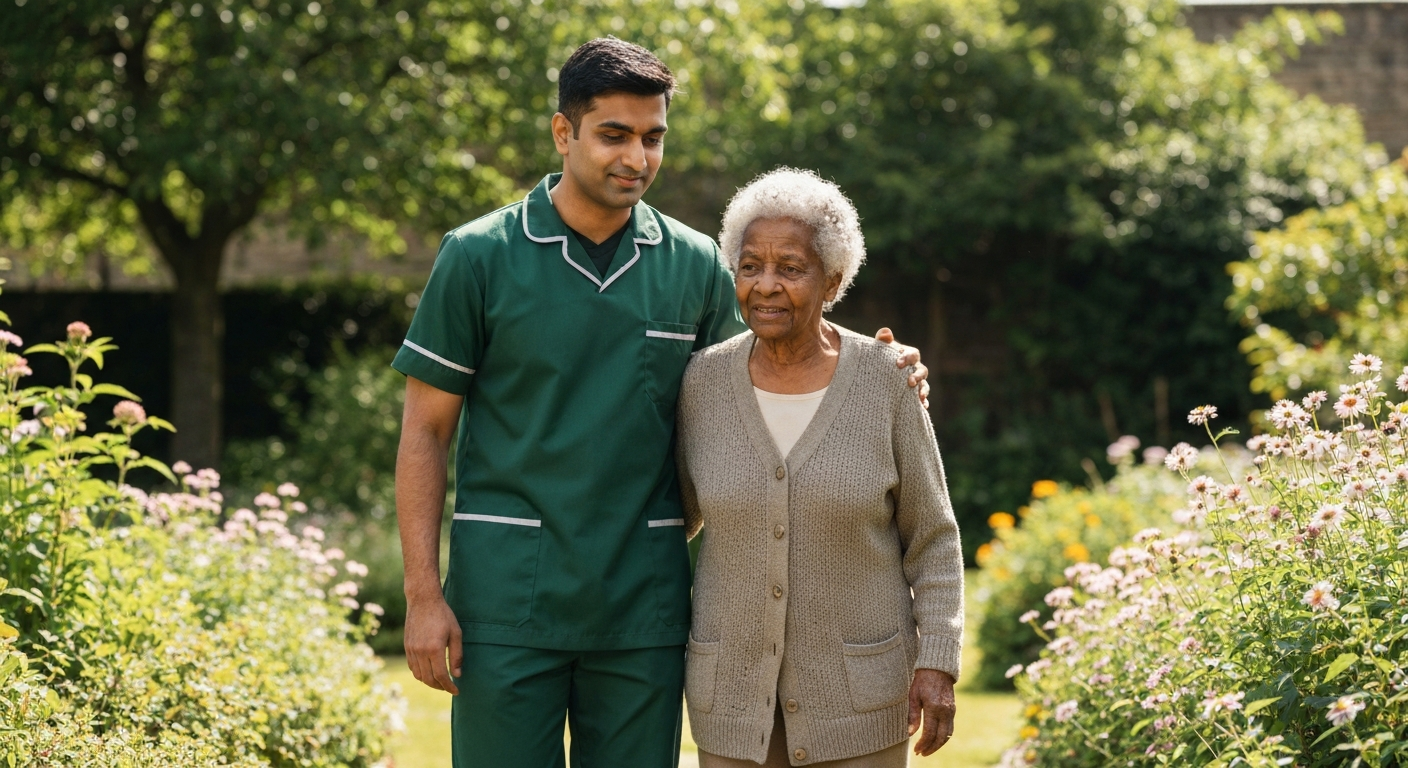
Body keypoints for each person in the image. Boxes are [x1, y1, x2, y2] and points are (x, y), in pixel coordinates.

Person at [393, 39, 930, 768]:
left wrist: (875, 365)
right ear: (563, 133)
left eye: (653, 138)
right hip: (505, 603)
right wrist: (424, 596)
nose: (636, 158)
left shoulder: (695, 264)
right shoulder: (478, 256)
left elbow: (764, 372)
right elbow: (424, 434)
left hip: (642, 610)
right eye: (614, 135)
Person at [676, 168, 964, 767]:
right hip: (731, 702)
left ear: (833, 280)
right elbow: (673, 517)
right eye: (750, 266)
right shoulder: (702, 382)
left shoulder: (887, 380)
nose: (766, 285)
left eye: (791, 268)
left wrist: (938, 661)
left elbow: (933, 538)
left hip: (859, 707)